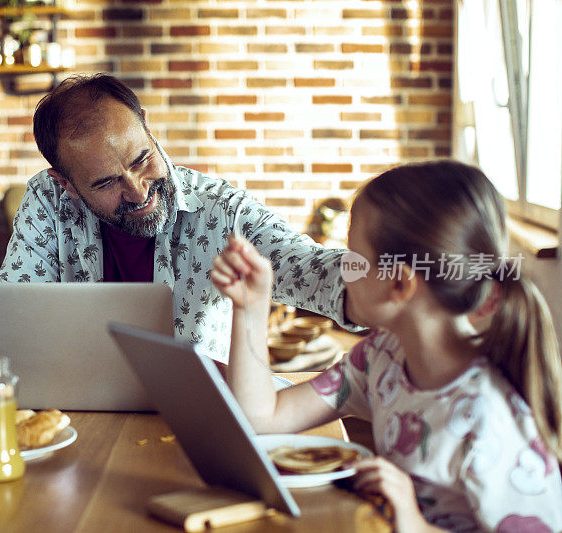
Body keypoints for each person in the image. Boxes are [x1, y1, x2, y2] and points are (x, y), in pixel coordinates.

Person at [212, 160, 562, 532]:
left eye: (352, 258)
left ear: (400, 284)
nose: (343, 269)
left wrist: (416, 525)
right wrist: (250, 308)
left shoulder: (491, 420)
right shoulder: (380, 358)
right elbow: (262, 419)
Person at [0, 73, 357, 361]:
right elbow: (13, 317)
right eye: (107, 182)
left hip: (200, 422)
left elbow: (310, 268)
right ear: (67, 183)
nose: (139, 192)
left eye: (141, 160)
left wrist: (383, 274)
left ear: (146, 128)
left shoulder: (220, 207)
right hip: (84, 414)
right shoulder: (48, 198)